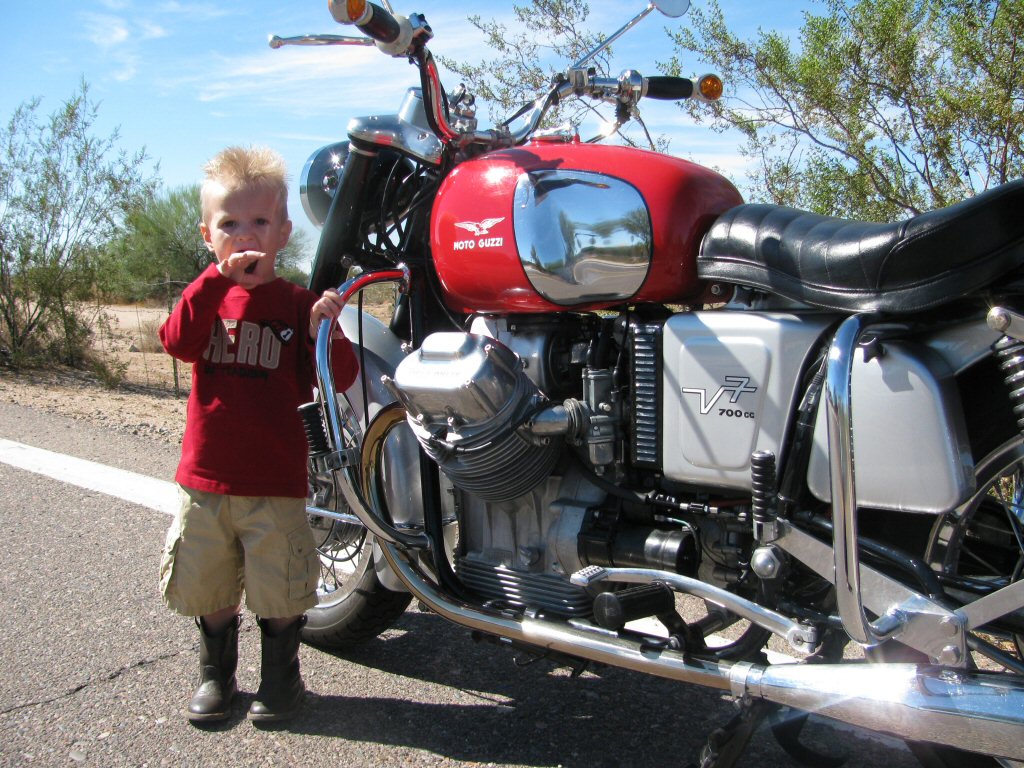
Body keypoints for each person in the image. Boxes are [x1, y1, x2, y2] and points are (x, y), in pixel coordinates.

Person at [158, 145, 358, 724]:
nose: (245, 235)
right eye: (230, 224)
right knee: (211, 587)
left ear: (283, 232)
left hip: (275, 482)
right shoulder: (206, 300)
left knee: (280, 590)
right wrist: (210, 284)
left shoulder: (295, 305)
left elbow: (337, 379)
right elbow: (174, 342)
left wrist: (329, 329)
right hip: (206, 481)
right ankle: (216, 677)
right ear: (208, 234)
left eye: (259, 222)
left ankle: (280, 683)